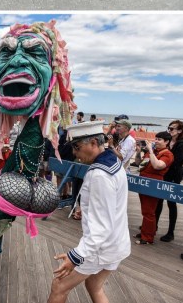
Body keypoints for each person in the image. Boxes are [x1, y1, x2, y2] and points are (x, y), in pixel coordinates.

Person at [48, 121, 129, 303]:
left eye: (77, 147)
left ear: (93, 142)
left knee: (59, 286)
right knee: (94, 286)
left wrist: (75, 257)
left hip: (99, 248)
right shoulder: (113, 161)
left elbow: (101, 228)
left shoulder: (99, 175)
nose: (75, 153)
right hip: (116, 242)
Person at [135, 131, 173, 244]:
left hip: (153, 184)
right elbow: (139, 165)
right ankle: (146, 232)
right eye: (155, 139)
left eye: (159, 139)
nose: (156, 141)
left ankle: (147, 238)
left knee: (149, 211)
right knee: (145, 210)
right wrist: (138, 152)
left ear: (166, 142)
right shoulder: (153, 152)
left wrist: (150, 150)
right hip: (144, 182)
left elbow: (157, 166)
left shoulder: (168, 154)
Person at [156, 120, 183, 242]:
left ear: (180, 131)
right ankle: (154, 225)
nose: (169, 130)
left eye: (172, 128)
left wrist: (163, 161)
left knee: (171, 203)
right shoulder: (168, 141)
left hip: (174, 175)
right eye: (168, 128)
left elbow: (177, 161)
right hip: (165, 173)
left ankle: (170, 232)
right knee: (158, 199)